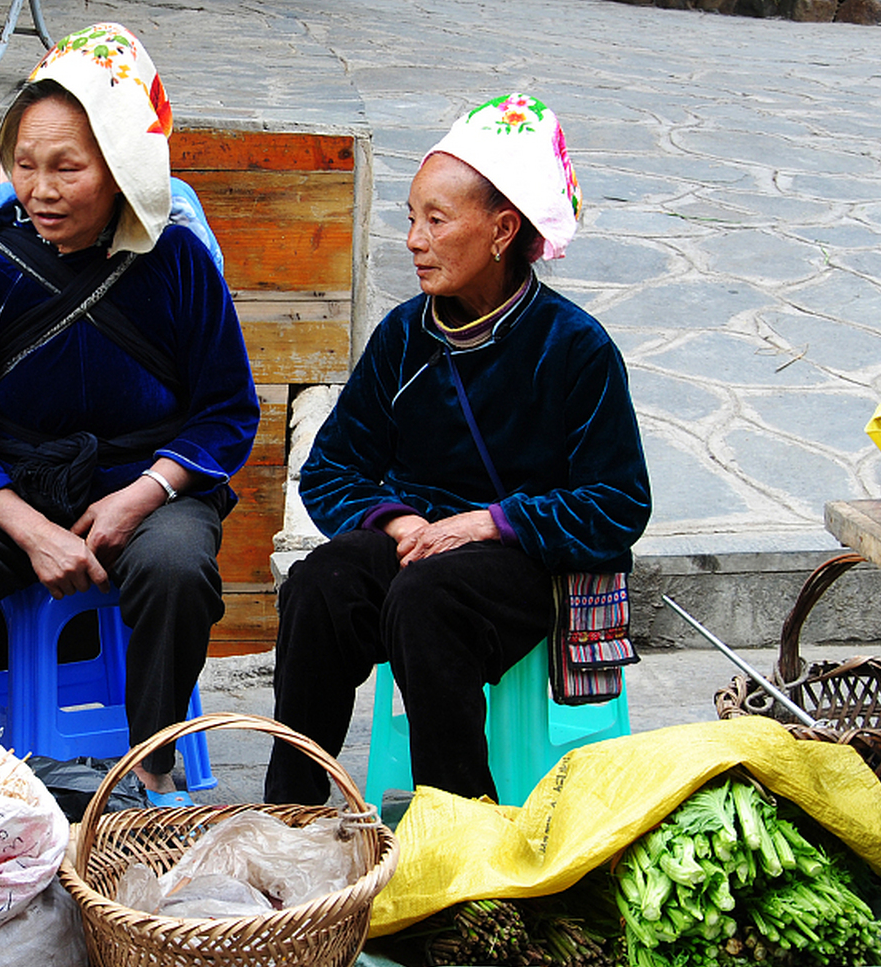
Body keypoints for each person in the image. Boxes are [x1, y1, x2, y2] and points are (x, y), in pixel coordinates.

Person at [0, 22, 259, 806]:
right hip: (8, 491)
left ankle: (150, 771)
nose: (40, 190)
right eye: (24, 166)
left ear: (119, 169)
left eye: (66, 167)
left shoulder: (178, 264)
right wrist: (31, 529)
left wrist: (145, 492)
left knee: (176, 568)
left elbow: (226, 411)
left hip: (145, 484)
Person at [264, 94, 650, 806]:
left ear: (502, 230)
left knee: (424, 600)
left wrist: (490, 522)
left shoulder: (575, 348)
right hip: (421, 541)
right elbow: (329, 470)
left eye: (435, 221)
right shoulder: (404, 336)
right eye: (410, 218)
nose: (413, 239)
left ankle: (460, 822)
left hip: (527, 561)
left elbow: (617, 504)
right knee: (322, 583)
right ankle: (290, 811)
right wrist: (400, 522)